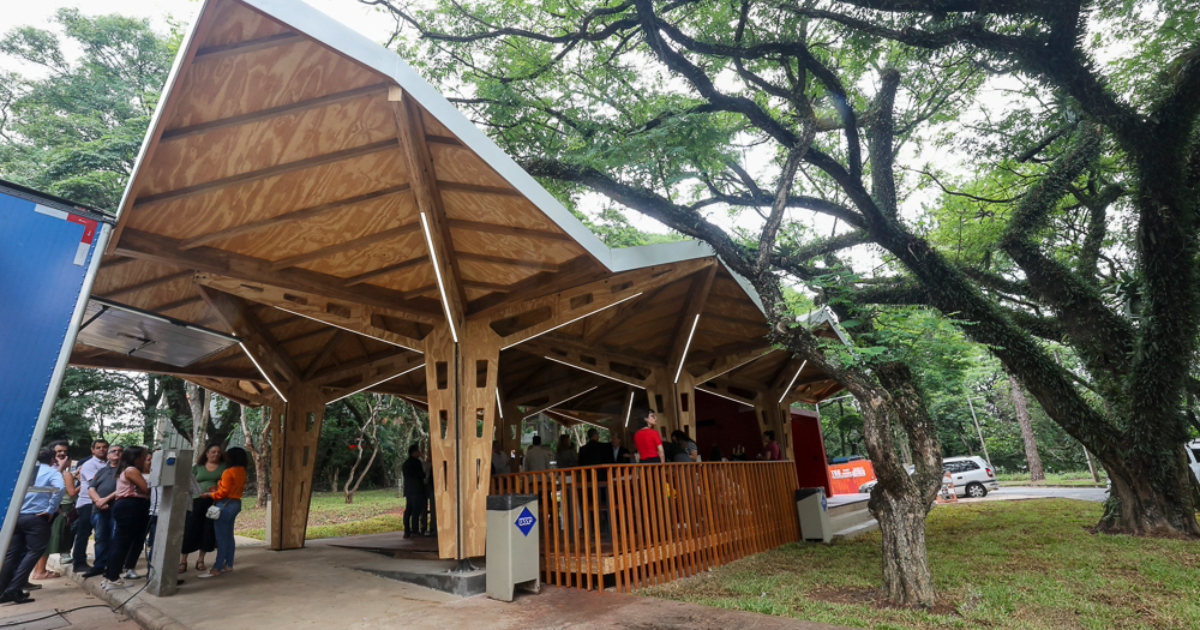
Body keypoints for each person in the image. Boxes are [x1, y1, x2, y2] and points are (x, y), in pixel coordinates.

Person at [0, 448, 72, 604]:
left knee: (11, 555)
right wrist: (51, 509)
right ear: (53, 459)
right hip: (36, 518)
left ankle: (3, 590)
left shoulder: (24, 471)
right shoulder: (52, 473)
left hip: (17, 517)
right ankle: (13, 589)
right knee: (34, 552)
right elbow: (59, 489)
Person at [102, 447, 151, 590]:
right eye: (143, 456)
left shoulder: (126, 470)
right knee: (122, 543)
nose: (145, 459)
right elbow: (145, 489)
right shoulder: (132, 470)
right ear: (136, 457)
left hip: (128, 506)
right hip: (131, 506)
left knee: (120, 542)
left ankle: (109, 576)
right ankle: (113, 578)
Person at [196, 447, 247, 579]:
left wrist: (208, 494)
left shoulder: (227, 472)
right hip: (235, 503)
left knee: (221, 537)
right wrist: (216, 490)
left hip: (224, 505)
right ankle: (228, 564)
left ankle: (217, 567)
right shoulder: (242, 471)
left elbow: (222, 493)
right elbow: (229, 489)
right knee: (229, 535)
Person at [33, 440, 78, 582]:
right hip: (45, 510)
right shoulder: (46, 471)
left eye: (65, 452)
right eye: (59, 452)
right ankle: (39, 571)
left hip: (51, 509)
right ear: (52, 455)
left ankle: (38, 570)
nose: (62, 454)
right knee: (45, 540)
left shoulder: (62, 472)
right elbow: (45, 490)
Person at [182, 445, 225, 574]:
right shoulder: (197, 468)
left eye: (218, 452)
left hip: (213, 501)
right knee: (190, 528)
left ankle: (201, 559)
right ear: (206, 454)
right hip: (196, 501)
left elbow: (227, 484)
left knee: (207, 529)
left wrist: (217, 490)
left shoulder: (224, 467)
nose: (216, 454)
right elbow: (188, 483)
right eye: (213, 452)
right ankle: (183, 559)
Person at [81, 445, 122, 578]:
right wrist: (98, 501)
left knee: (115, 538)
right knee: (100, 538)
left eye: (119, 451)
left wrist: (105, 500)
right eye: (113, 451)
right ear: (108, 455)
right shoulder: (101, 471)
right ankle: (99, 565)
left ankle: (113, 567)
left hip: (115, 508)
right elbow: (91, 488)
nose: (116, 453)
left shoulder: (126, 471)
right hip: (99, 509)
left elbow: (122, 489)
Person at [70, 439, 109, 574]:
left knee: (102, 534)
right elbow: (96, 482)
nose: (102, 449)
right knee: (84, 533)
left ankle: (102, 561)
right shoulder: (89, 465)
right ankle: (79, 562)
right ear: (93, 450)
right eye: (98, 447)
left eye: (104, 447)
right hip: (87, 502)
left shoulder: (110, 463)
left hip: (102, 502)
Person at [402, 445, 426, 539]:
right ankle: (415, 530)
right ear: (414, 452)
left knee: (408, 510)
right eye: (418, 451)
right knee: (416, 510)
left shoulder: (405, 464)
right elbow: (421, 475)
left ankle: (407, 530)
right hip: (417, 489)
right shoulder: (417, 463)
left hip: (409, 490)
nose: (419, 452)